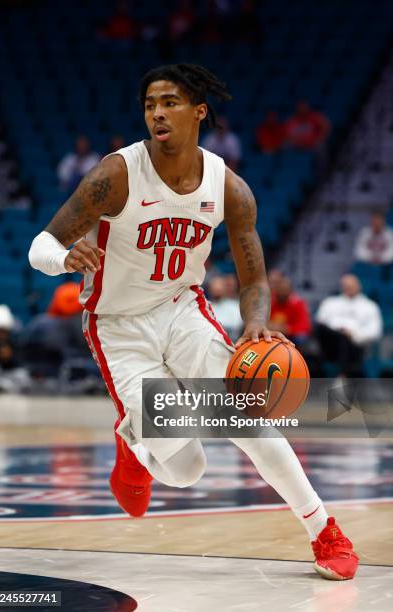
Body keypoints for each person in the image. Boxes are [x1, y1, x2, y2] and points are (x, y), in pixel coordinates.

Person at [29, 63, 358, 581]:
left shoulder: (229, 187)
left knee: (245, 415)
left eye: (170, 102)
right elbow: (40, 245)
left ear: (199, 111)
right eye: (150, 104)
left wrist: (255, 322)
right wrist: (64, 259)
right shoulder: (116, 174)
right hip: (117, 327)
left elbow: (253, 279)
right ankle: (132, 439)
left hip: (183, 309)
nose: (157, 112)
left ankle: (323, 530)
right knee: (187, 470)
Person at [316, 274, 382, 377]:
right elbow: (321, 321)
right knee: (326, 332)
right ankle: (340, 376)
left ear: (359, 286)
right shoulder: (330, 302)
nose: (349, 288)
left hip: (356, 346)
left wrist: (353, 335)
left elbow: (375, 332)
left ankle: (341, 375)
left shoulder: (370, 306)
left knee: (344, 340)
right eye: (346, 285)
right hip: (331, 344)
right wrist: (341, 330)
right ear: (341, 286)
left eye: (352, 285)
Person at [269, 275, 311, 346]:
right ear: (276, 289)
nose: (283, 293)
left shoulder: (298, 303)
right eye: (281, 289)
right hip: (271, 334)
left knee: (301, 337)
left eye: (285, 290)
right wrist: (268, 325)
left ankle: (295, 356)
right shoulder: (269, 301)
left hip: (291, 336)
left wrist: (287, 329)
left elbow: (305, 326)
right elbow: (260, 319)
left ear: (290, 291)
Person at [207, 274, 243, 341]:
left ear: (225, 288)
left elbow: (236, 325)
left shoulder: (234, 305)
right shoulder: (207, 306)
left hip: (232, 341)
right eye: (214, 286)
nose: (217, 289)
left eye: (219, 286)